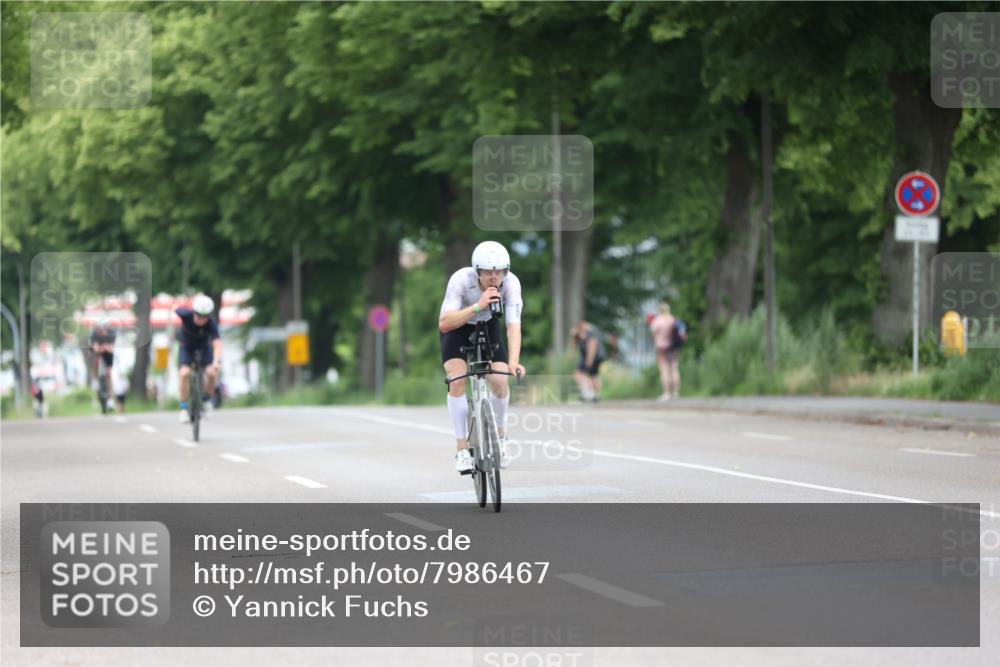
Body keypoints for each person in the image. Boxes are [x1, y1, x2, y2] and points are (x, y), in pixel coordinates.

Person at [439, 241, 525, 474]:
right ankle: (462, 449)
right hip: (458, 326)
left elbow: (513, 326)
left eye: (499, 272)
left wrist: (513, 361)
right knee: (457, 380)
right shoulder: (460, 280)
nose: (494, 277)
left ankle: (501, 436)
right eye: (487, 272)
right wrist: (478, 306)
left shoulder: (511, 284)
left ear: (506, 271)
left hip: (488, 325)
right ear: (477, 271)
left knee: (500, 381)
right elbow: (445, 323)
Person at [175, 294, 223, 423]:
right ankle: (184, 408)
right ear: (193, 312)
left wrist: (216, 361)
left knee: (212, 373)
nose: (200, 319)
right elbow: (176, 309)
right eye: (197, 315)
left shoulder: (211, 323)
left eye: (204, 316)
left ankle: (206, 399)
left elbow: (217, 343)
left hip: (204, 349)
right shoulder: (186, 315)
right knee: (184, 374)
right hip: (187, 349)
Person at [650, 301, 681, 400]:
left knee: (664, 370)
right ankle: (676, 393)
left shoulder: (657, 320)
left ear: (660, 310)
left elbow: (653, 333)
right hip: (673, 347)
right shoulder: (673, 319)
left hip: (662, 347)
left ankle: (666, 393)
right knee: (675, 369)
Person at [571, 321, 605, 402]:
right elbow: (575, 346)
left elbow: (593, 345)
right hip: (595, 357)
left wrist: (590, 359)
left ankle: (589, 394)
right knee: (593, 375)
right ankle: (595, 395)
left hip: (593, 357)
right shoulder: (581, 335)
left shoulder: (590, 332)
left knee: (580, 375)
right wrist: (574, 336)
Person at [89, 319, 116, 411]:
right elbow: (95, 349)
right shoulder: (94, 334)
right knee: (95, 359)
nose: (100, 332)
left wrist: (104, 348)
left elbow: (111, 349)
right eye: (98, 330)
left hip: (108, 354)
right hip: (99, 353)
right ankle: (95, 380)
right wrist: (104, 347)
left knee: (109, 373)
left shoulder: (111, 333)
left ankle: (110, 399)